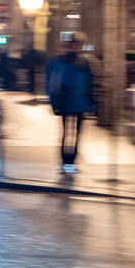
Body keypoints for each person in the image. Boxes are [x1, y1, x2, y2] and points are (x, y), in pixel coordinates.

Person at [46, 34, 95, 174]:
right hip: (66, 102)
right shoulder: (61, 61)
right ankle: (64, 162)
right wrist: (53, 102)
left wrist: (90, 103)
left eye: (78, 44)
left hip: (79, 103)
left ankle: (71, 163)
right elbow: (54, 83)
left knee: (76, 135)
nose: (75, 46)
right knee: (66, 134)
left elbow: (89, 84)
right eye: (74, 43)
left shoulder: (85, 63)